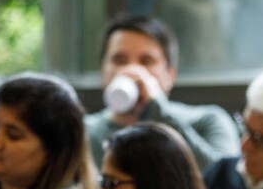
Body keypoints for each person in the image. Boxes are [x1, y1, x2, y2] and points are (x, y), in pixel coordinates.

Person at [84, 13, 237, 169]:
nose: (132, 71)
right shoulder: (82, 133)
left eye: (146, 61)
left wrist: (157, 110)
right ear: (102, 71)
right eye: (120, 60)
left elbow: (223, 181)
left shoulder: (207, 121)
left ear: (170, 75)